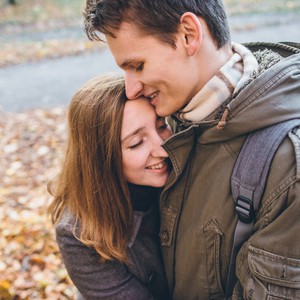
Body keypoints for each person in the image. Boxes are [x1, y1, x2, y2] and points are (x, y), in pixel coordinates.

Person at [83, 1, 300, 299]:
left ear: (188, 35)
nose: (131, 89)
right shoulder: (172, 116)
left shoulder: (287, 166)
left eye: (137, 66)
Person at [48, 74, 172, 299]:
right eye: (136, 143)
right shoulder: (78, 233)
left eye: (162, 126)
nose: (163, 149)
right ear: (101, 159)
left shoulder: (186, 174)